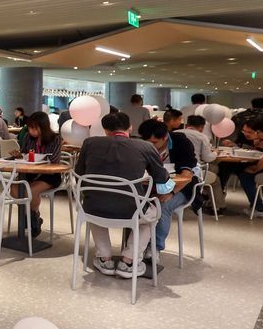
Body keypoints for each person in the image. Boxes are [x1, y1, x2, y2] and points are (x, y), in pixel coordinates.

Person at [74, 112, 175, 279]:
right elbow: (161, 178)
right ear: (130, 127)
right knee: (152, 214)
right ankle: (129, 261)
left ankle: (104, 258)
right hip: (131, 210)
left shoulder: (89, 143)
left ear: (106, 130)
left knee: (94, 204)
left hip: (94, 208)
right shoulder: (145, 146)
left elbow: (79, 173)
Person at [138, 120, 198, 253]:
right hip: (150, 185)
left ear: (165, 137)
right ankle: (135, 246)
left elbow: (187, 175)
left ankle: (155, 247)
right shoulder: (142, 145)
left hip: (181, 187)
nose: (150, 146)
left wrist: (171, 193)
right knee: (136, 202)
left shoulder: (181, 143)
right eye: (147, 142)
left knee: (162, 205)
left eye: (154, 142)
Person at [11, 112, 64, 237]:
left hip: (49, 175)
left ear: (43, 127)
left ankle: (32, 218)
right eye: (29, 128)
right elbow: (25, 154)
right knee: (14, 188)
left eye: (34, 128)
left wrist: (37, 158)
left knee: (31, 191)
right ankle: (31, 217)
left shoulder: (55, 139)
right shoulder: (28, 138)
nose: (31, 131)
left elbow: (54, 160)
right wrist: (19, 155)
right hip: (29, 173)